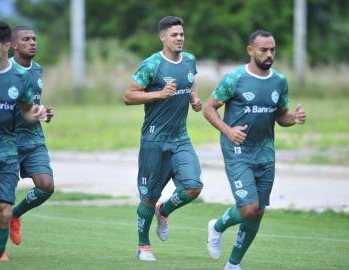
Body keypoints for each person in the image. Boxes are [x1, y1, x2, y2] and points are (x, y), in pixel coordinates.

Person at [203, 30, 307, 270]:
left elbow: (281, 117)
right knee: (249, 208)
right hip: (237, 150)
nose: (269, 54)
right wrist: (228, 130)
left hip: (266, 153)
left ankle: (233, 265)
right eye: (263, 50)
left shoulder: (279, 81)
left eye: (272, 50)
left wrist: (295, 118)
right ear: (250, 50)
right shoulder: (234, 78)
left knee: (258, 211)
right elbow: (209, 108)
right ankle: (217, 226)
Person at [124, 16, 203, 261]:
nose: (179, 38)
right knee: (148, 197)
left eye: (181, 34)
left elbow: (190, 83)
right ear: (162, 37)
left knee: (193, 187)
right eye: (174, 35)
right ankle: (143, 246)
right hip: (153, 140)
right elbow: (128, 96)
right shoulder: (152, 65)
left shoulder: (190, 60)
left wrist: (194, 99)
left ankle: (164, 211)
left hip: (180, 138)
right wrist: (159, 94)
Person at [0, 21, 47, 270]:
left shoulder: (20, 77)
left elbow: (26, 110)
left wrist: (37, 114)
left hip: (7, 151)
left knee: (4, 215)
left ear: (7, 46)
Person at [0, 26, 55, 262]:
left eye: (34, 38)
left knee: (46, 186)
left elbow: (33, 105)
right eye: (26, 39)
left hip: (33, 140)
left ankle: (16, 215)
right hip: (6, 141)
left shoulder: (38, 70)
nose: (32, 42)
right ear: (13, 46)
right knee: (3, 198)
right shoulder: (2, 71)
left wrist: (44, 113)